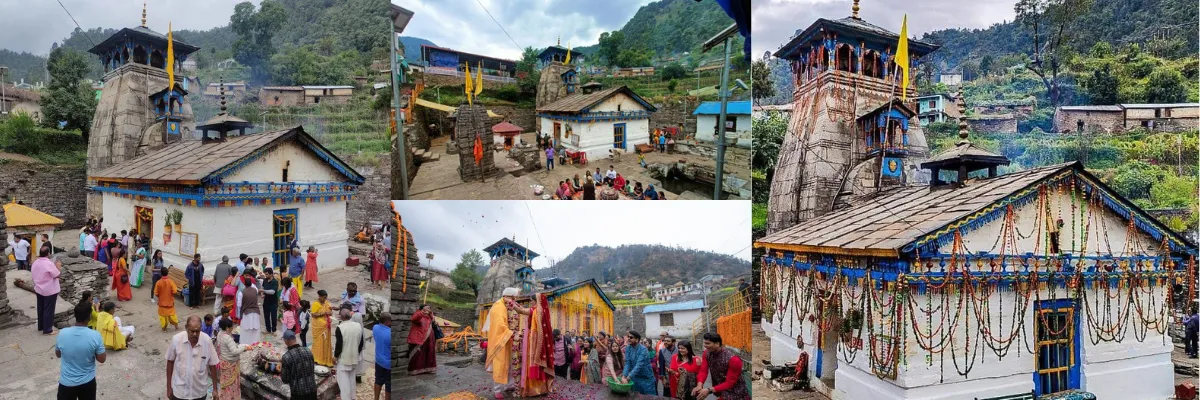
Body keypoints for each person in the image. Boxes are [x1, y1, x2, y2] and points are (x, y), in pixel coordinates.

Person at [483, 288, 555, 398]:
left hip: (522, 340)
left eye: (532, 300)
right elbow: (500, 325)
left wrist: (512, 304)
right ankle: (497, 390)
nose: (515, 299)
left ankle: (511, 385)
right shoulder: (499, 306)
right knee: (500, 364)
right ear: (508, 296)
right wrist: (512, 334)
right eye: (514, 298)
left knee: (513, 364)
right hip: (503, 339)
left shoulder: (536, 310)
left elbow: (521, 311)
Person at [56, 303, 106, 400]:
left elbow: (58, 354)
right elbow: (102, 359)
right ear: (90, 316)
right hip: (87, 382)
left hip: (66, 383)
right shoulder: (95, 336)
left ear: (75, 316)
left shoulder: (62, 333)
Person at [166, 316, 219, 400]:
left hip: (199, 393)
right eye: (192, 331)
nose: (194, 334)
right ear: (186, 328)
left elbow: (212, 365)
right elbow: (170, 361)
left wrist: (215, 389)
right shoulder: (176, 340)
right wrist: (168, 387)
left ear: (201, 328)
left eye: (197, 331)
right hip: (180, 392)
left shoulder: (207, 341)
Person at [693, 332, 750, 400]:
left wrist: (709, 390)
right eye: (704, 343)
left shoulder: (733, 359)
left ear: (717, 344)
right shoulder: (707, 353)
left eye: (708, 343)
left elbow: (730, 383)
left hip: (735, 393)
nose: (705, 346)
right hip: (720, 390)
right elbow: (703, 371)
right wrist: (699, 385)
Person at [334, 306, 365, 400]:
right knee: (352, 379)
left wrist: (335, 357)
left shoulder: (340, 328)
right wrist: (356, 352)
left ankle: (346, 398)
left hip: (344, 359)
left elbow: (339, 345)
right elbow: (361, 342)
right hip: (354, 357)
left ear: (341, 317)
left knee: (344, 383)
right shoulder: (357, 325)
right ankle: (352, 397)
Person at [32, 245, 62, 335]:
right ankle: (48, 329)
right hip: (49, 290)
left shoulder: (35, 262)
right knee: (48, 309)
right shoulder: (48, 263)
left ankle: (41, 326)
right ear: (48, 253)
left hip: (39, 289)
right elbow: (57, 275)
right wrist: (58, 267)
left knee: (41, 308)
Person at [216, 318, 249, 400]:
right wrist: (244, 347)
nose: (232, 329)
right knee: (232, 384)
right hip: (230, 363)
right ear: (227, 328)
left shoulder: (220, 333)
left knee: (225, 383)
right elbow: (235, 351)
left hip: (223, 360)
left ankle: (224, 397)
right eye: (231, 328)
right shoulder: (227, 338)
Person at [281, 329, 319, 400]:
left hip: (298, 393)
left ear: (286, 341)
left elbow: (285, 379)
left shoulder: (286, 357)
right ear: (295, 339)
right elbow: (312, 369)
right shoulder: (308, 351)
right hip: (312, 390)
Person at [620, 330, 655, 394]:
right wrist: (624, 375)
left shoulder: (643, 349)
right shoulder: (628, 348)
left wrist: (627, 378)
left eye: (631, 337)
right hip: (635, 377)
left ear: (637, 339)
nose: (628, 339)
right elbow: (627, 363)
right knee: (635, 396)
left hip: (646, 378)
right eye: (628, 337)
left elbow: (639, 365)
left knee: (648, 397)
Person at [408, 304, 437, 374]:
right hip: (419, 336)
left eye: (429, 308)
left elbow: (433, 323)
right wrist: (421, 313)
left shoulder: (430, 316)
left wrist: (432, 316)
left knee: (429, 352)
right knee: (418, 353)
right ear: (421, 308)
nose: (428, 309)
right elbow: (413, 319)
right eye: (426, 308)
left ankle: (428, 368)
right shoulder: (418, 314)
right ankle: (415, 369)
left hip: (430, 337)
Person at [312, 290, 335, 366]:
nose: (325, 299)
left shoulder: (326, 303)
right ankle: (318, 358)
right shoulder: (315, 304)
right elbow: (314, 315)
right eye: (324, 298)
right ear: (320, 297)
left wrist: (330, 312)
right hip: (318, 327)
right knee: (318, 343)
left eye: (326, 298)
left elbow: (330, 311)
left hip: (326, 326)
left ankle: (326, 359)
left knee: (326, 343)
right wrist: (324, 313)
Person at [238, 275, 263, 344]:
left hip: (246, 313)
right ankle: (255, 343)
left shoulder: (241, 293)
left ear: (244, 284)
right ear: (251, 283)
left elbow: (239, 305)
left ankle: (245, 344)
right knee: (255, 330)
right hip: (256, 313)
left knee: (246, 330)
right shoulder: (255, 290)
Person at [374, 313, 394, 399]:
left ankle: (376, 398)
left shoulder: (375, 327)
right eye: (391, 321)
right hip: (388, 364)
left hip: (378, 361)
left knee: (378, 381)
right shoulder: (390, 333)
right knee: (389, 385)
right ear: (387, 322)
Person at [155, 266, 180, 331]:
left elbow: (156, 293)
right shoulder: (171, 282)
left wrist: (160, 297)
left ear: (161, 273)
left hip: (161, 302)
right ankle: (176, 326)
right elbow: (175, 291)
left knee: (162, 316)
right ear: (167, 273)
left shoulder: (158, 282)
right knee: (172, 315)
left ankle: (164, 328)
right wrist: (171, 295)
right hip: (170, 302)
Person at [261, 268, 279, 336]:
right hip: (266, 302)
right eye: (265, 274)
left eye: (267, 274)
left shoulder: (275, 282)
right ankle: (268, 329)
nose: (265, 275)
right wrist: (262, 294)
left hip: (273, 303)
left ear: (271, 274)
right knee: (266, 316)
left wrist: (263, 291)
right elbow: (263, 287)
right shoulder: (265, 280)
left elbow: (272, 292)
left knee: (273, 317)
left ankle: (274, 330)